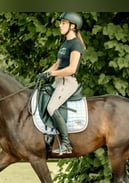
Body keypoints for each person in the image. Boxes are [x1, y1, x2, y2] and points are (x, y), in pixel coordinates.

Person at [35, 12, 86, 155]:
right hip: (58, 81)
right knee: (42, 99)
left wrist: (51, 74)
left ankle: (66, 143)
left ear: (73, 26)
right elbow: (57, 64)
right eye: (61, 23)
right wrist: (43, 73)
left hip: (67, 82)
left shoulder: (76, 44)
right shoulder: (65, 43)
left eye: (63, 23)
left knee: (51, 107)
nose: (60, 25)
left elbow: (71, 68)